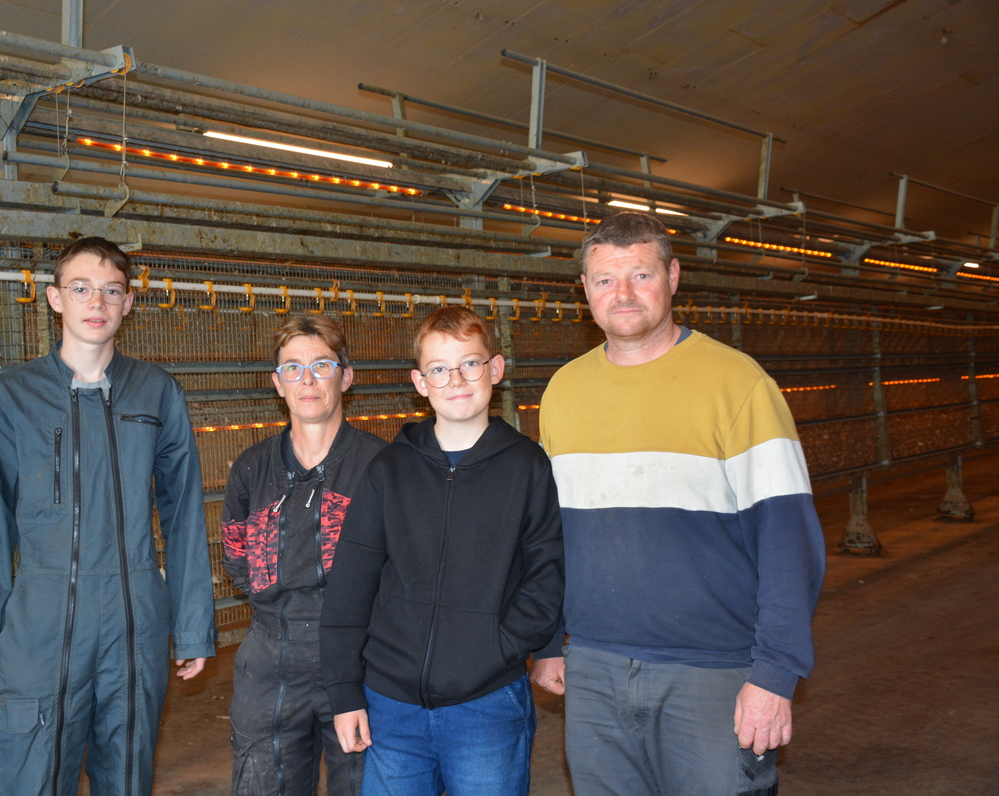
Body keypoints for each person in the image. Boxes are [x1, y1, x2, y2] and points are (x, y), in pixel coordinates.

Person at [530, 212, 826, 796]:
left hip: (713, 670)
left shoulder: (737, 384)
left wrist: (774, 674)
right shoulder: (563, 390)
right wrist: (547, 640)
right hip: (594, 666)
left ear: (673, 277)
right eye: (605, 280)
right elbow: (548, 532)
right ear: (584, 290)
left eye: (640, 275)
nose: (623, 293)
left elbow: (789, 540)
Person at [0, 237, 216, 796]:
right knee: (33, 777)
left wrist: (192, 624)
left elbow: (184, 516)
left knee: (125, 776)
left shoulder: (158, 393)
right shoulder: (14, 396)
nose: (95, 302)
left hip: (133, 623)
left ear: (129, 303)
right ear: (55, 299)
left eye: (111, 290)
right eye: (80, 288)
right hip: (40, 628)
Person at [321, 305, 564, 796]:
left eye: (470, 363)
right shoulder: (389, 470)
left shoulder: (527, 466)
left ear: (495, 369)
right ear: (419, 381)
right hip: (391, 706)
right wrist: (345, 692)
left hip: (486, 703)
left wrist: (496, 649)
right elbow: (351, 582)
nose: (456, 379)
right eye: (439, 369)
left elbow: (547, 572)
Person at [221, 315, 388, 795]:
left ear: (346, 376)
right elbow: (236, 557)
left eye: (321, 365)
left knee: (364, 784)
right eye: (292, 369)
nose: (308, 380)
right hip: (269, 658)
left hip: (362, 657)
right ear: (277, 383)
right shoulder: (251, 468)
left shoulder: (383, 466)